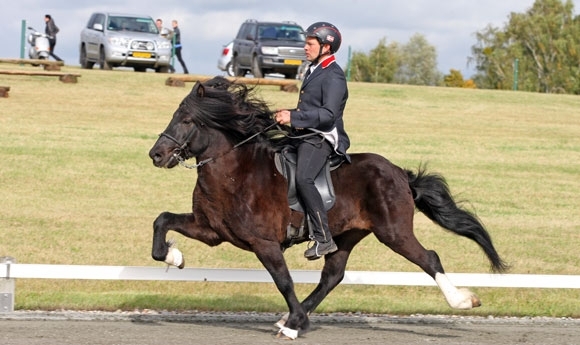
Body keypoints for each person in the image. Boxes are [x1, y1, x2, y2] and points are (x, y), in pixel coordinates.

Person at [274, 22, 350, 260]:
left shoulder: (334, 75)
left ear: (326, 46)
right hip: (304, 133)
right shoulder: (315, 69)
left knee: (304, 178)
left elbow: (328, 115)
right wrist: (285, 115)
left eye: (310, 44)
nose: (305, 48)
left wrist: (294, 116)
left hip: (322, 138)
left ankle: (323, 238)